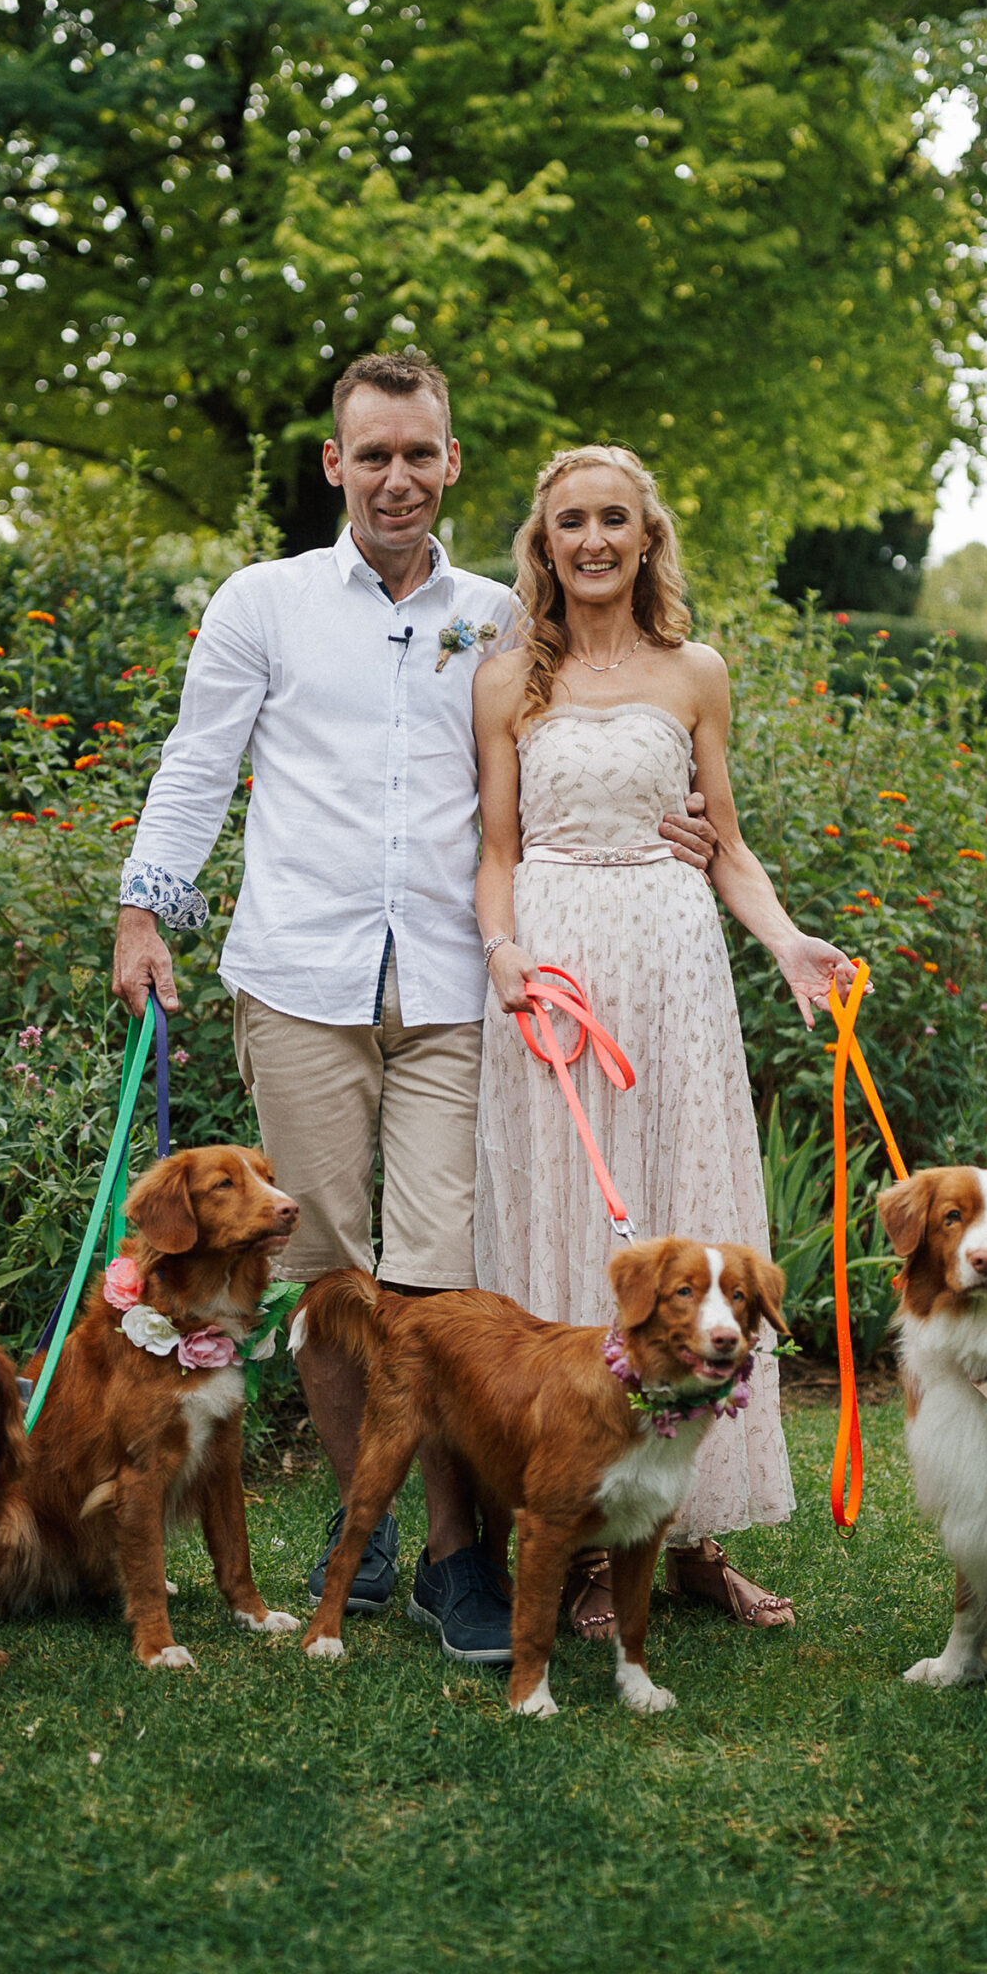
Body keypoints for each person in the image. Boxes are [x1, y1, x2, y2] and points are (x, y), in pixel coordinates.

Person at [109, 355, 715, 1665]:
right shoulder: (261, 603)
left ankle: (453, 1565)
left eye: (418, 454)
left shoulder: (500, 617)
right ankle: (361, 1523)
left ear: (450, 464)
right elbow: (198, 758)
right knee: (326, 1274)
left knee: (435, 1278)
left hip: (450, 987)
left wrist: (673, 815)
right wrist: (144, 910)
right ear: (332, 464)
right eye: (369, 453)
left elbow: (591, 716)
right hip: (298, 976)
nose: (395, 475)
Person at [473, 445, 855, 1636]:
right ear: (545, 544)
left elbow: (726, 843)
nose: (592, 541)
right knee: (570, 1227)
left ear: (647, 539)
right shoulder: (502, 681)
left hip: (676, 960)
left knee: (690, 1212)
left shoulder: (697, 671)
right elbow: (493, 852)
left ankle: (697, 1542)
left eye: (614, 522)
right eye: (570, 523)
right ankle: (584, 1543)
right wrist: (504, 954)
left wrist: (788, 941)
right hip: (557, 966)